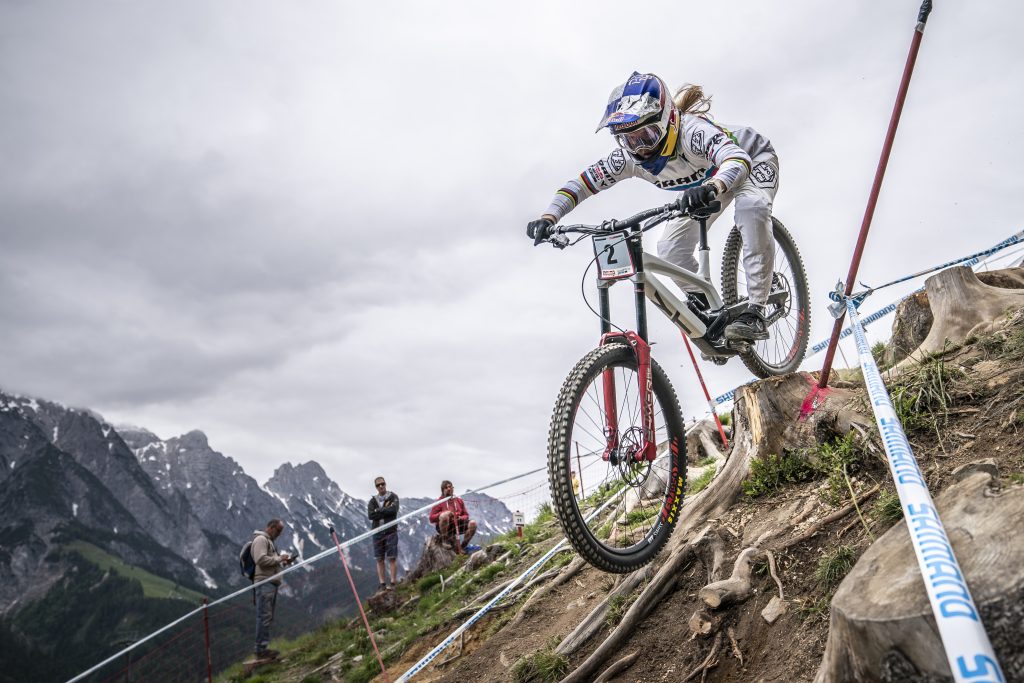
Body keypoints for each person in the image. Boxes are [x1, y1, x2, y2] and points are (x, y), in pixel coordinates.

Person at [527, 71, 781, 342]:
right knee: (670, 249)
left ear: (668, 121)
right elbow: (583, 183)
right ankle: (708, 310)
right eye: (628, 139)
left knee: (752, 208)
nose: (640, 148)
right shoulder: (628, 159)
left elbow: (736, 159)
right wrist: (549, 216)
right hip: (708, 184)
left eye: (646, 135)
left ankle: (756, 310)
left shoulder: (692, 133)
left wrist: (712, 188)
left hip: (750, 160)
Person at [251, 519, 294, 660]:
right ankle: (260, 650)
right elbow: (260, 559)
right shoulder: (261, 540)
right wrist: (278, 559)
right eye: (278, 530)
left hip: (269, 583)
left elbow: (268, 561)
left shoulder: (269, 541)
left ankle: (263, 648)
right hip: (264, 582)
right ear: (271, 527)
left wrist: (282, 561)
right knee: (263, 616)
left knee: (266, 616)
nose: (279, 534)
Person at [367, 476, 400, 591]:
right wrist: (385, 510)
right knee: (379, 558)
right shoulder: (372, 501)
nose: (381, 486)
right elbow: (371, 515)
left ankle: (393, 582)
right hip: (377, 532)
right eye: (378, 485)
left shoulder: (393, 496)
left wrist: (379, 511)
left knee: (392, 557)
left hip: (390, 530)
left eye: (382, 484)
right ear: (376, 487)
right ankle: (382, 584)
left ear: (385, 484)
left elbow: (394, 510)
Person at [429, 480, 477, 554]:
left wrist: (461, 518)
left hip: (457, 523)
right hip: (445, 527)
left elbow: (466, 515)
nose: (449, 489)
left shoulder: (459, 500)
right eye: (446, 487)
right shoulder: (439, 502)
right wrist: (445, 513)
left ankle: (463, 546)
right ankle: (445, 540)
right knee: (445, 515)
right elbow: (431, 518)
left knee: (473, 523)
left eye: (450, 487)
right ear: (443, 490)